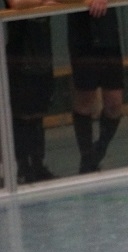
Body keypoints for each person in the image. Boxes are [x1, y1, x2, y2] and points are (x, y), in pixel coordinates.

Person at [4, 0, 59, 183]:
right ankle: (22, 166)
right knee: (22, 113)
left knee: (38, 111)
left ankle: (37, 164)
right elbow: (16, 3)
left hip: (42, 51)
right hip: (21, 53)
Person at [68, 0, 124, 174]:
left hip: (108, 31)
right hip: (81, 32)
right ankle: (87, 161)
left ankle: (98, 151)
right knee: (85, 98)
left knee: (114, 103)